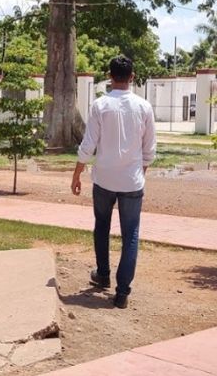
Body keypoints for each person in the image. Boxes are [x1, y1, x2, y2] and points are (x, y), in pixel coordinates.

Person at [71, 56, 157, 309]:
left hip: (104, 179)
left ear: (110, 76)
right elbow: (149, 148)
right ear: (132, 77)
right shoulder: (144, 107)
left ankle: (103, 275)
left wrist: (77, 173)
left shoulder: (100, 105)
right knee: (131, 235)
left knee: (102, 226)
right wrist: (141, 172)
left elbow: (89, 144)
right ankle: (122, 292)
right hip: (131, 181)